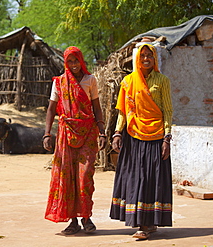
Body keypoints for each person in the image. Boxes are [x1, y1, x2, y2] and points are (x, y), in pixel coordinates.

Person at [109, 43, 173, 240]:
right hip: (134, 136)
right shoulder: (128, 82)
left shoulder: (162, 81)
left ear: (154, 59)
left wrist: (167, 138)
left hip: (156, 137)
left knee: (153, 179)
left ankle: (147, 224)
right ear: (138, 59)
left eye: (149, 56)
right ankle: (142, 222)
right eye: (143, 55)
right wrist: (117, 133)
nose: (146, 59)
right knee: (136, 178)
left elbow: (167, 111)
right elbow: (123, 111)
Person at [43, 46, 107, 235]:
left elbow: (96, 107)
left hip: (88, 132)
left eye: (76, 60)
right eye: (70, 61)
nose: (74, 65)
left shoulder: (90, 80)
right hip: (65, 134)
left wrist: (102, 132)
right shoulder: (60, 83)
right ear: (66, 63)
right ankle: (73, 221)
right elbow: (51, 109)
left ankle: (86, 217)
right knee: (68, 176)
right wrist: (47, 134)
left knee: (85, 175)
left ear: (82, 61)